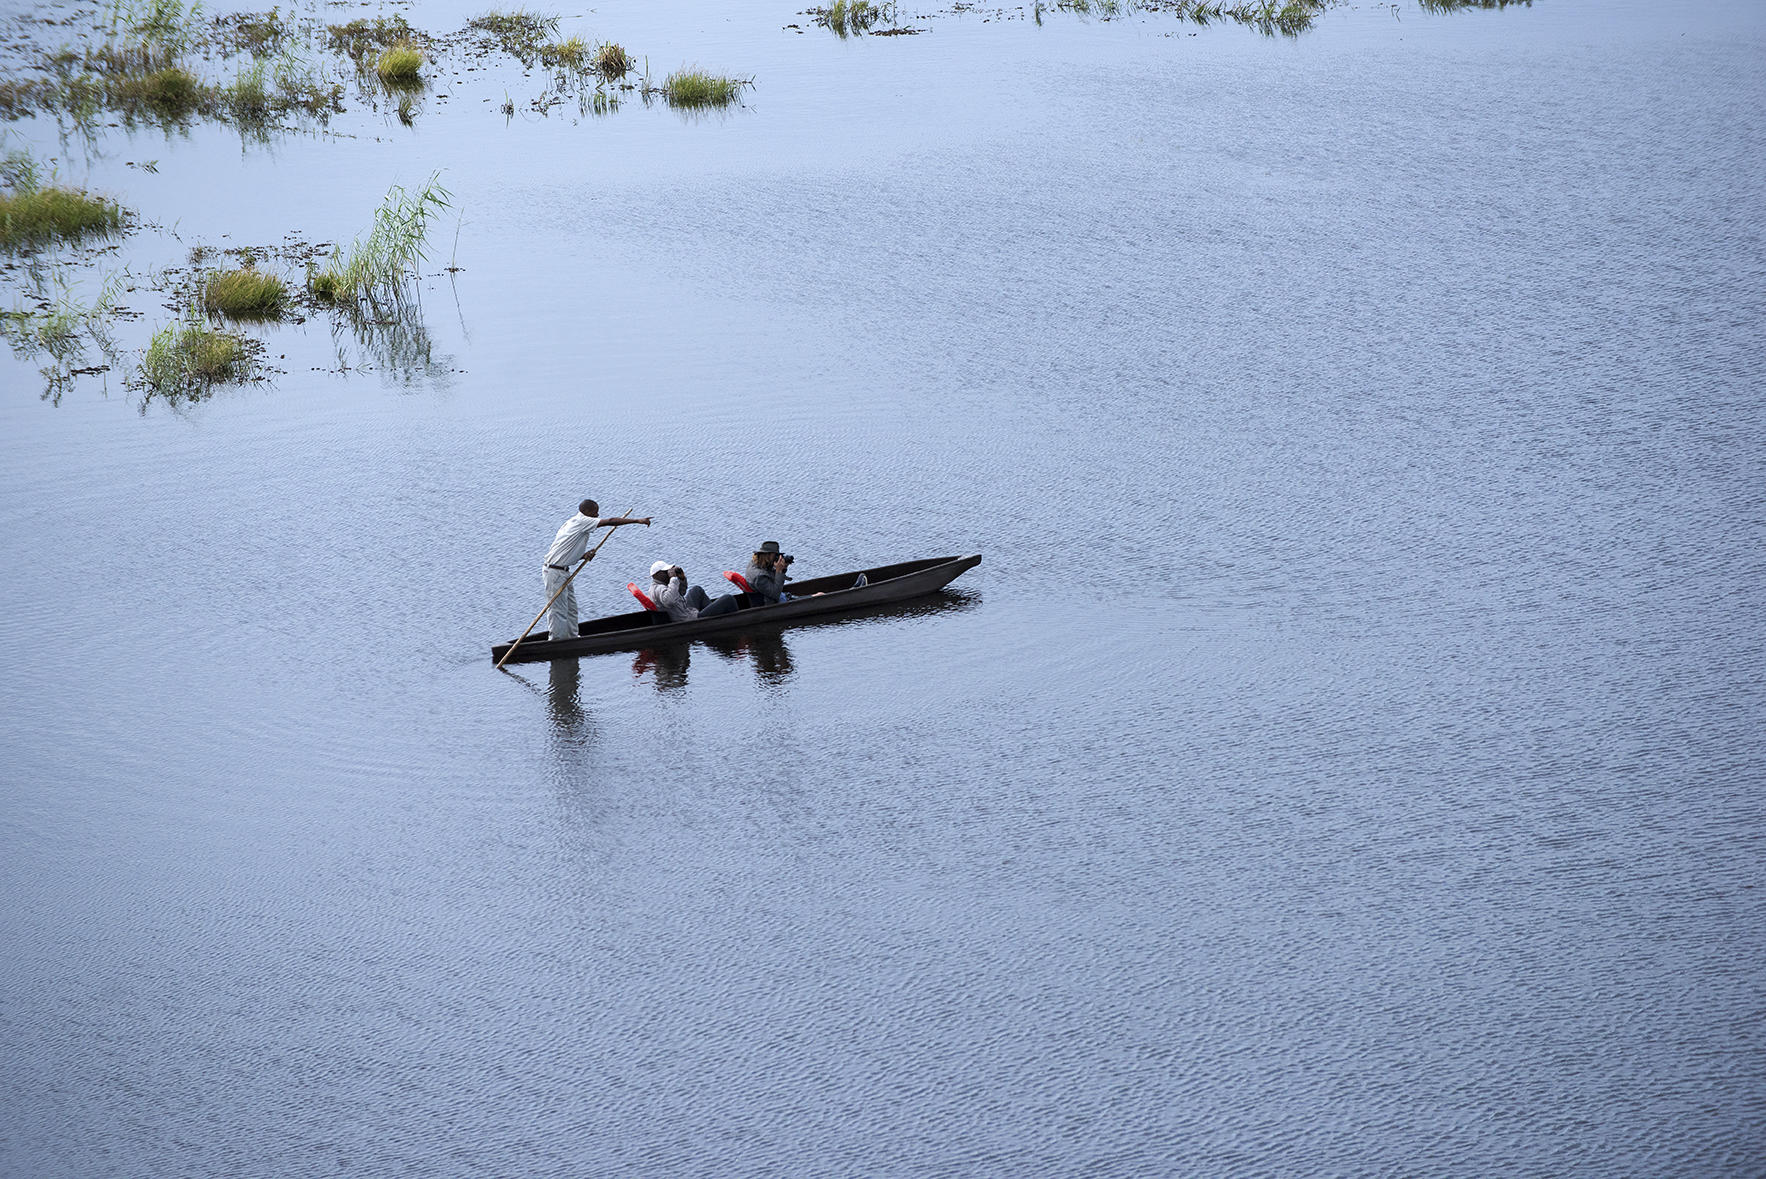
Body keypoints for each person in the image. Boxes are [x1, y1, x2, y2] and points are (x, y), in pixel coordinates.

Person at [544, 498, 651, 640]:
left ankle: (572, 638)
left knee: (571, 608)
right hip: (554, 572)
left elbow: (564, 551)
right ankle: (556, 640)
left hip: (563, 571)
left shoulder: (574, 522)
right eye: (595, 512)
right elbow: (611, 521)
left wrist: (582, 556)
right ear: (587, 511)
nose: (597, 515)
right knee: (558, 609)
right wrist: (637, 521)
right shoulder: (582, 521)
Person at [648, 560, 739, 622]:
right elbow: (669, 601)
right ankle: (733, 620)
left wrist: (681, 579)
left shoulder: (660, 585)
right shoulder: (659, 588)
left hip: (685, 611)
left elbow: (681, 593)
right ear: (658, 574)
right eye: (666, 572)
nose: (669, 573)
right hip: (686, 619)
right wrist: (673, 579)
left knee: (697, 590)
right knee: (728, 598)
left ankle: (713, 617)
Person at [743, 540, 823, 605]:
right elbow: (776, 594)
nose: (777, 557)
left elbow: (771, 581)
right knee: (820, 595)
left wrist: (783, 568)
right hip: (773, 604)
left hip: (777, 597)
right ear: (768, 555)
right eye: (775, 555)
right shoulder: (759, 576)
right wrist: (779, 571)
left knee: (818, 594)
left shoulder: (755, 564)